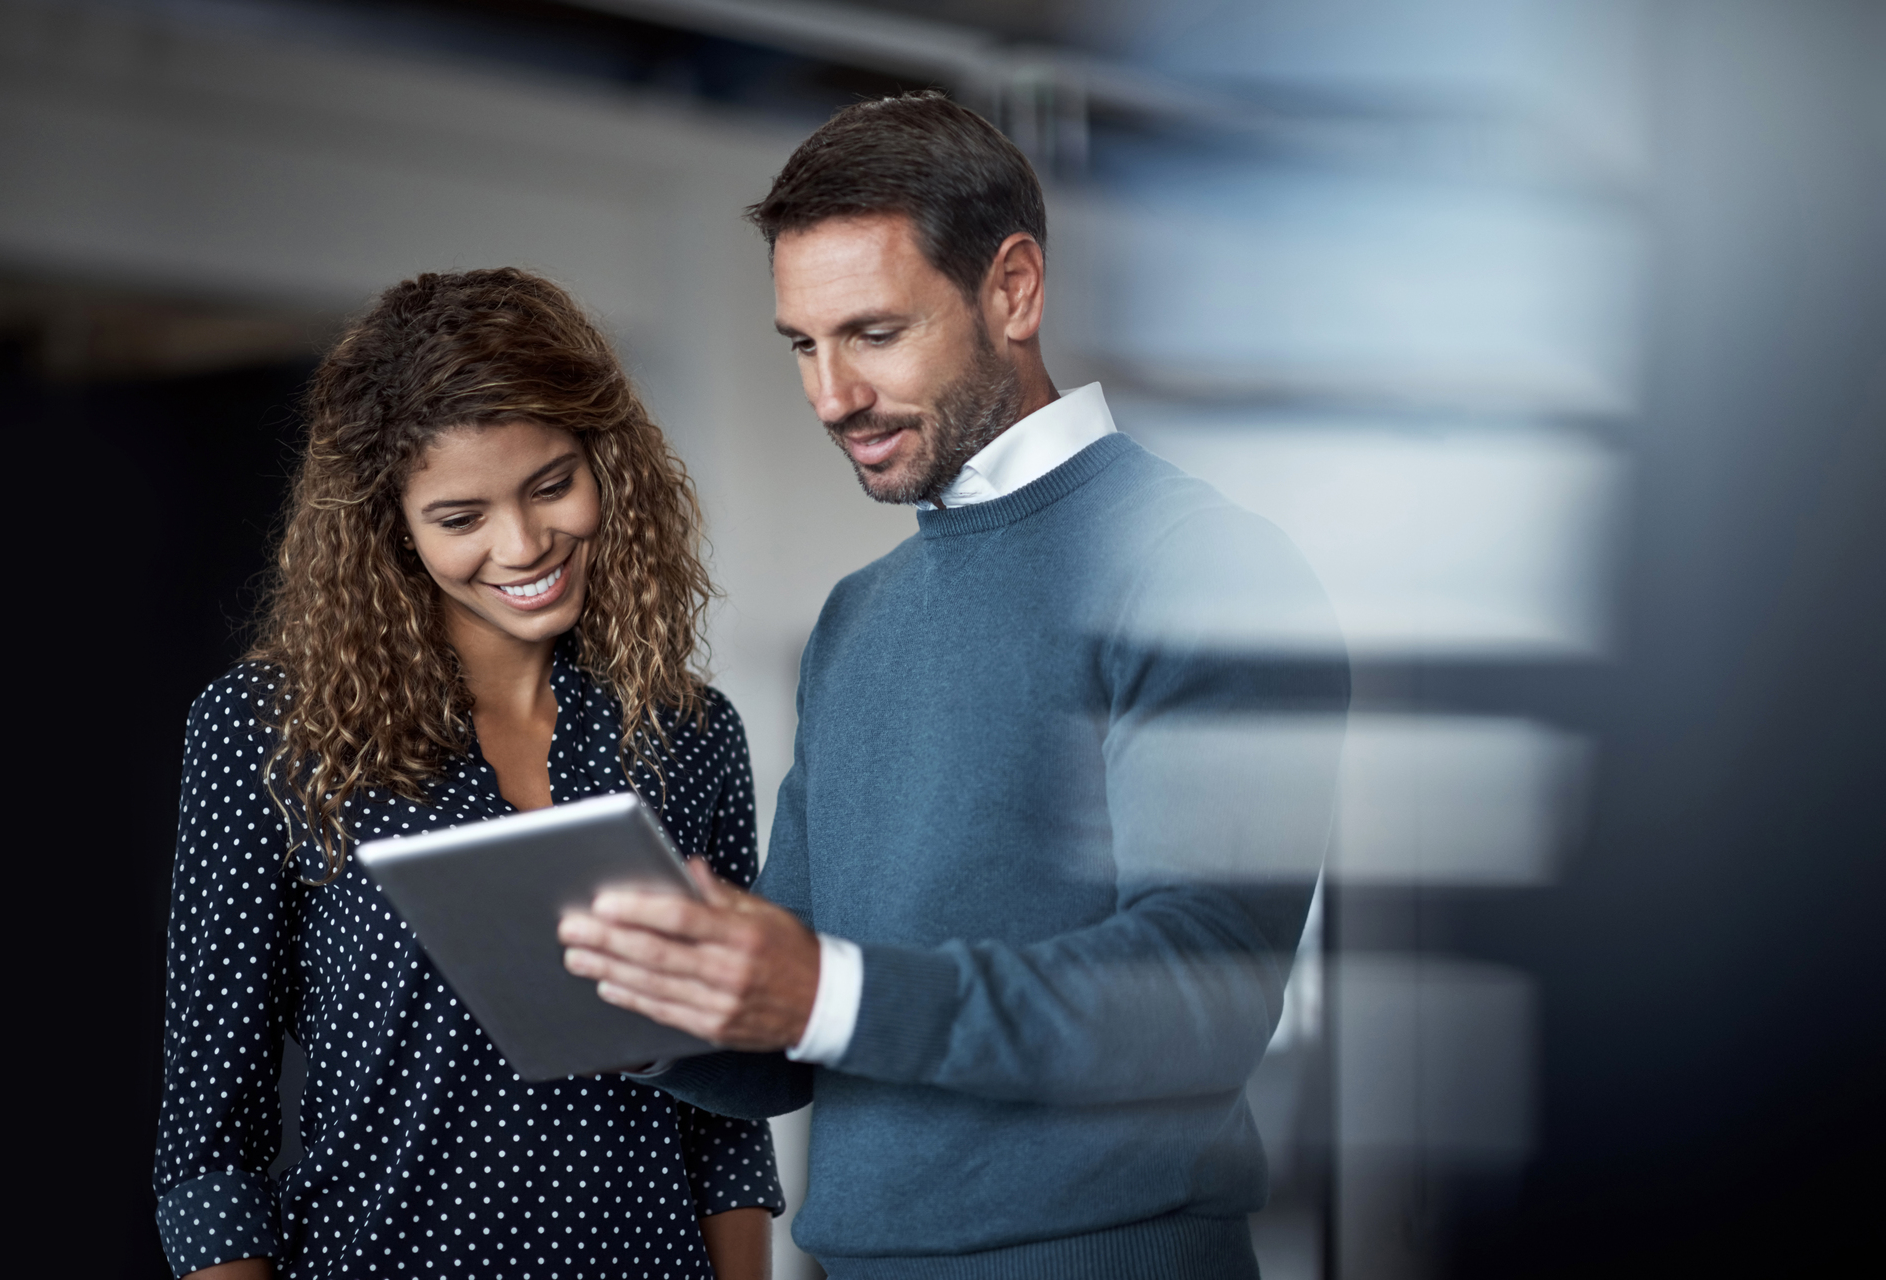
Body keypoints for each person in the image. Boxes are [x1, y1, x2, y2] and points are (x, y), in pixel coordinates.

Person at [558, 93, 1348, 1279]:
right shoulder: (857, 620)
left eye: (874, 333)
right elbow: (795, 1032)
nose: (832, 396)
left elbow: (1203, 993)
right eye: (803, 346)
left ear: (1014, 289)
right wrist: (642, 1000)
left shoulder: (1202, 566)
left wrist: (827, 987)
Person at [154, 268, 782, 1280]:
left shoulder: (689, 733)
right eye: (460, 516)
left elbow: (726, 1123)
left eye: (550, 485)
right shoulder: (267, 729)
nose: (524, 545)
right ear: (388, 528)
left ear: (607, 462)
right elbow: (207, 1144)